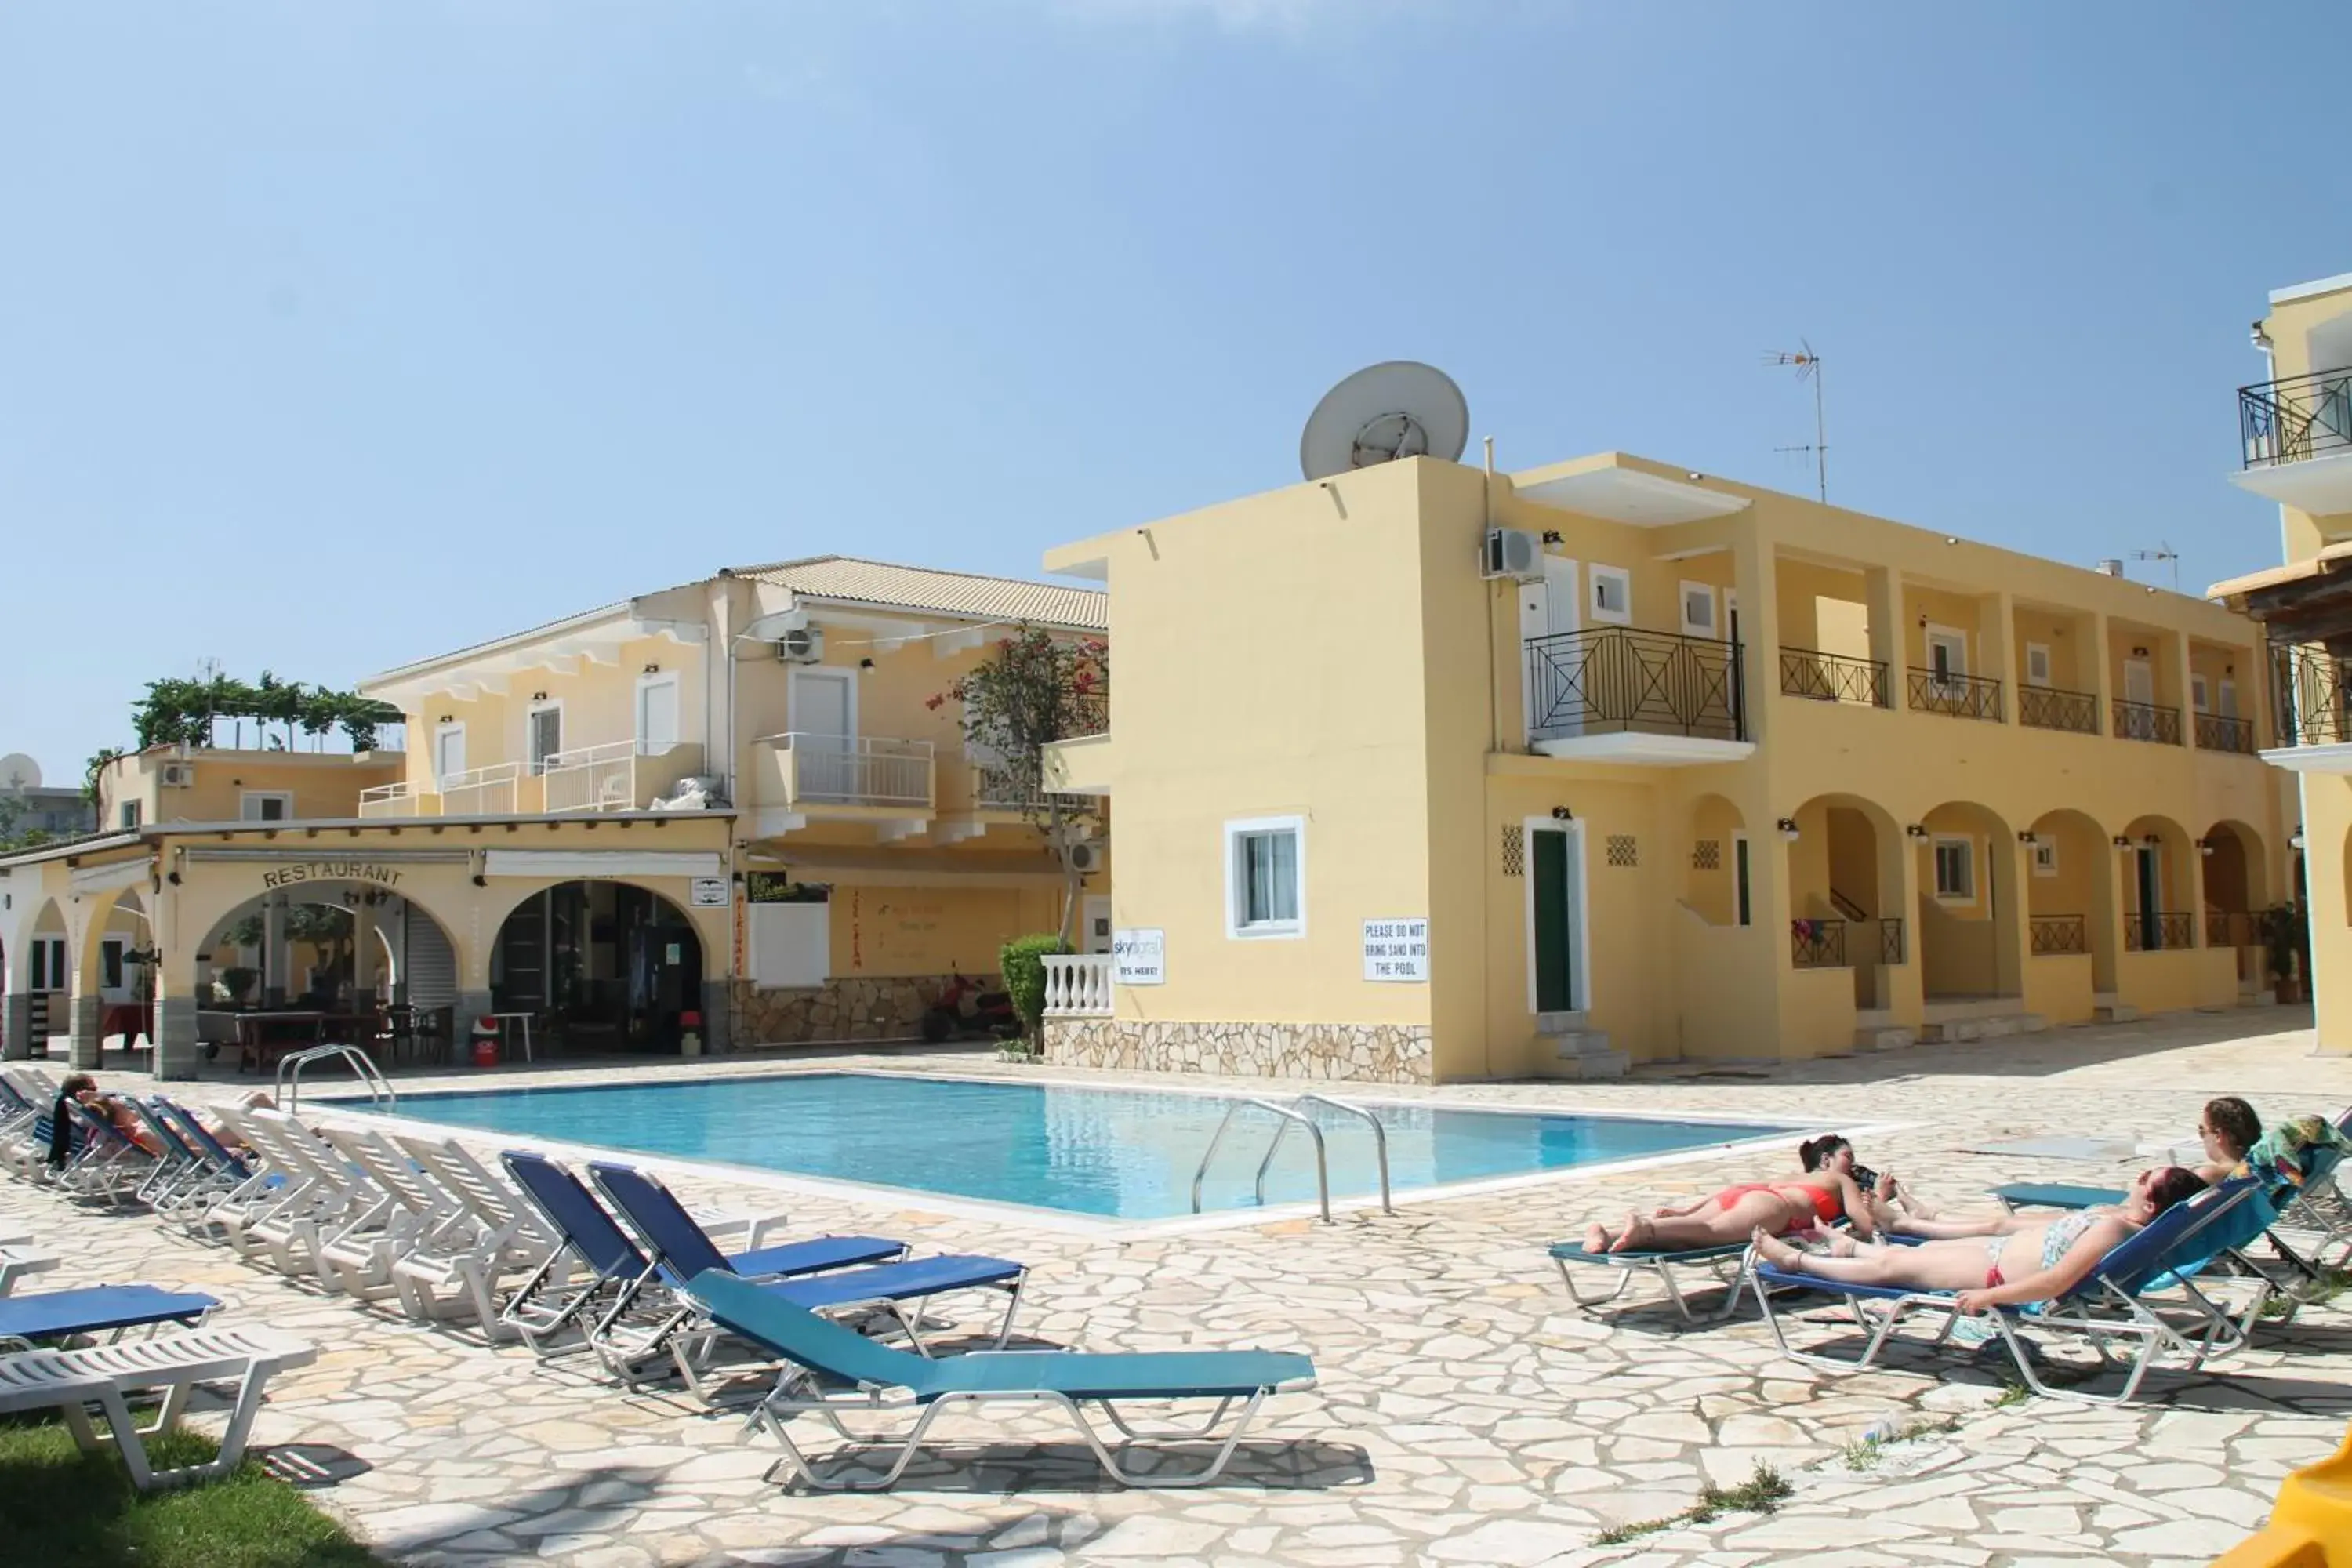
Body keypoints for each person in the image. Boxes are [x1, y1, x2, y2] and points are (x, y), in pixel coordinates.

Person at [1751, 1166, 2208, 1314]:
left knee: (1894, 1269)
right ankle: (1847, 1246)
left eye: (2147, 1179)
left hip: (1993, 1272)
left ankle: (1796, 1264)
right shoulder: (2124, 1219)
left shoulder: (2114, 1230)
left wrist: (1990, 1296)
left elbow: (2055, 1283)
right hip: (1994, 1254)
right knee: (1917, 1253)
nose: (2139, 1176)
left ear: (2150, 1205)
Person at [1583, 1134, 1878, 1254]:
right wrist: (1877, 1200)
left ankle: (1606, 1234)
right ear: (1826, 1160)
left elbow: (1736, 1192)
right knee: (1711, 1232)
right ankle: (1643, 1227)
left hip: (1747, 1192)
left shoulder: (1789, 1176)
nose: (1852, 1166)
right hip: (1775, 1205)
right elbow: (1864, 1225)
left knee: (1697, 1230)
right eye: (1848, 1157)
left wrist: (1685, 1213)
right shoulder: (1839, 1179)